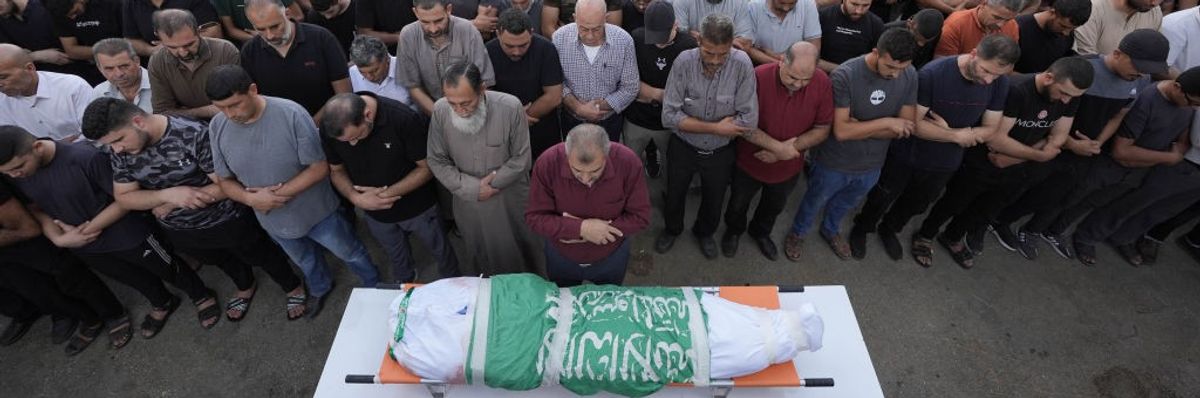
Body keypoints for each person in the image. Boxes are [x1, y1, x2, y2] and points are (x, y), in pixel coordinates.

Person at [81, 97, 310, 322]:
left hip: (227, 219)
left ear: (138, 122)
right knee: (220, 262)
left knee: (261, 254)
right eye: (110, 144)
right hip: (180, 230)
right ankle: (245, 286)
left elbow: (227, 184)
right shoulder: (120, 151)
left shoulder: (192, 133)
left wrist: (172, 201)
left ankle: (291, 286)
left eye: (119, 140)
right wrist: (166, 195)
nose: (116, 150)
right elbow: (124, 198)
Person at [0, 126, 220, 340]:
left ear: (37, 146)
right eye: (7, 172)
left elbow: (125, 198)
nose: (15, 175)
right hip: (84, 245)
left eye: (18, 167)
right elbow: (34, 208)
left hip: (128, 232)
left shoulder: (85, 157)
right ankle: (162, 301)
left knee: (167, 267)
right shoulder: (16, 174)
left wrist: (88, 229)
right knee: (130, 277)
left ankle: (200, 294)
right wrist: (59, 237)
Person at [205, 65, 380, 317]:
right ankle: (320, 288)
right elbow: (224, 180)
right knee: (305, 261)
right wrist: (249, 198)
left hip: (319, 214)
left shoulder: (291, 113)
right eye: (221, 108)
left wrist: (273, 197)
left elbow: (320, 167)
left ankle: (373, 284)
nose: (229, 114)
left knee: (350, 252)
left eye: (235, 105)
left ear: (253, 90)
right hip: (274, 222)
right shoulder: (217, 126)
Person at [991, 30, 1162, 261]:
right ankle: (995, 219)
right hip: (1051, 142)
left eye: (1147, 69)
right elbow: (1055, 108)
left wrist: (1097, 143)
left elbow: (1118, 115)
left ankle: (1014, 224)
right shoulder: (1083, 69)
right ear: (1118, 53)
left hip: (1084, 153)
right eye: (1138, 65)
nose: (1141, 73)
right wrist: (1069, 142)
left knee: (1053, 195)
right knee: (1024, 184)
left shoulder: (1141, 81)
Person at [851, 34, 1016, 268]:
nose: (989, 80)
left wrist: (956, 132)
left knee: (916, 203)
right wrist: (957, 136)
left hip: (944, 163)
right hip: (907, 154)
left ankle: (890, 229)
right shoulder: (933, 74)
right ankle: (863, 227)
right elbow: (913, 124)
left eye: (997, 75)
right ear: (973, 54)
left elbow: (991, 128)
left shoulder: (999, 83)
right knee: (883, 194)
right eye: (986, 71)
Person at [918, 56, 1092, 268]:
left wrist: (1019, 155)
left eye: (1072, 96)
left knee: (984, 210)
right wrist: (1039, 153)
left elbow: (1059, 136)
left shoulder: (1071, 97)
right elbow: (996, 139)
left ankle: (953, 237)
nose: (1066, 101)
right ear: (1048, 78)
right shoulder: (1018, 90)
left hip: (1017, 167)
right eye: (1064, 93)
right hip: (980, 163)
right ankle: (926, 235)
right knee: (953, 203)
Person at [792, 29, 918, 261]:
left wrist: (859, 125)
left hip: (872, 164)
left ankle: (830, 230)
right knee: (814, 200)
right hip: (834, 161)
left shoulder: (909, 74)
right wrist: (888, 122)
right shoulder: (845, 75)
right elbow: (841, 131)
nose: (895, 74)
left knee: (846, 203)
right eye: (890, 67)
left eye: (902, 68)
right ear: (875, 53)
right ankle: (798, 232)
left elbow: (907, 127)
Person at [318, 92, 462, 283]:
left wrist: (384, 195)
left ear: (368, 115)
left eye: (356, 136)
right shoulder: (332, 130)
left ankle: (454, 282)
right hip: (375, 214)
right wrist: (355, 198)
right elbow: (336, 170)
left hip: (418, 208)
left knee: (439, 247)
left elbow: (427, 168)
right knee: (396, 255)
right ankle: (406, 283)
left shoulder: (403, 119)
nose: (352, 144)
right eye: (346, 142)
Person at [1065, 68, 1199, 266]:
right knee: (1082, 198)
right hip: (1118, 164)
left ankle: (1100, 236)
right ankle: (1067, 233)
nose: (1196, 109)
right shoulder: (1149, 99)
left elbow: (1183, 139)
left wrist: (1169, 155)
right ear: (1177, 88)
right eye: (1193, 102)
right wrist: (1167, 158)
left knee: (1148, 208)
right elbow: (1122, 152)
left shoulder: (1187, 106)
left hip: (1141, 166)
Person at [656, 13, 757, 259]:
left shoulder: (742, 64)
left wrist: (691, 122)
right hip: (683, 146)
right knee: (675, 193)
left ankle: (704, 233)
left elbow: (748, 120)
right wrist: (716, 128)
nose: (715, 60)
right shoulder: (683, 61)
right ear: (699, 40)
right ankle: (672, 229)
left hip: (721, 151)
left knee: (715, 198)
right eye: (709, 52)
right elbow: (669, 117)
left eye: (723, 54)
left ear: (732, 43)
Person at [723, 41, 832, 261]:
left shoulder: (822, 82)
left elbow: (822, 129)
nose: (799, 85)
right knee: (738, 203)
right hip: (749, 162)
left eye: (805, 80)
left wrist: (785, 151)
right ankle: (733, 231)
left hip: (788, 166)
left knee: (773, 206)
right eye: (793, 77)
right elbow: (742, 123)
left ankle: (760, 233)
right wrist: (778, 148)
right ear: (781, 60)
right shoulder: (757, 77)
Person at [426, 61, 538, 275]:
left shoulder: (510, 107)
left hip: (510, 200)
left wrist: (491, 185)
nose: (460, 110)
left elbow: (522, 159)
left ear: (482, 90)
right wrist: (473, 188)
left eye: (466, 103)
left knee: (521, 254)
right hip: (468, 201)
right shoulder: (441, 111)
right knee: (480, 256)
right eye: (453, 104)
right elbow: (436, 159)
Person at [0, 179, 126, 356]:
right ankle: (90, 319)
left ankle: (113, 314)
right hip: (6, 256)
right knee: (34, 290)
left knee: (70, 277)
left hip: (28, 239)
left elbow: (29, 229)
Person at [526, 124, 650, 286]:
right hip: (561, 257)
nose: (585, 179)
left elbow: (641, 217)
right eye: (576, 170)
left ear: (607, 156)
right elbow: (534, 218)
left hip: (612, 258)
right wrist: (581, 229)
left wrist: (600, 231)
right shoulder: (547, 164)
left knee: (608, 301)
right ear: (567, 155)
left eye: (595, 171)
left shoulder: (629, 163)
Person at [624, 0, 696, 179]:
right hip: (636, 119)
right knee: (629, 169)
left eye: (664, 36)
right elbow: (629, 82)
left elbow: (690, 91)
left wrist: (648, 94)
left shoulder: (689, 46)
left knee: (671, 170)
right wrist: (661, 94)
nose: (659, 43)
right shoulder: (636, 38)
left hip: (669, 123)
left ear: (676, 25)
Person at [241, 0, 352, 116]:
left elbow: (344, 94)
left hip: (327, 125)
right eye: (261, 29)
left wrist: (311, 124)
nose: (270, 35)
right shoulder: (249, 52)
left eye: (275, 26)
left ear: (288, 14)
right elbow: (253, 100)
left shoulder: (322, 39)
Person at [552, 0, 639, 141]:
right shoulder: (559, 39)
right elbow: (556, 82)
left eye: (597, 29)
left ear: (606, 18)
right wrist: (578, 107)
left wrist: (599, 107)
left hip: (609, 121)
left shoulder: (624, 41)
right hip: (571, 120)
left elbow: (631, 87)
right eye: (584, 29)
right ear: (575, 18)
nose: (590, 36)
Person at [487, 7, 565, 161]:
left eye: (523, 45)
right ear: (498, 33)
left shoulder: (546, 49)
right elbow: (485, 95)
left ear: (531, 32)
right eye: (509, 46)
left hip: (542, 129)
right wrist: (515, 119)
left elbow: (554, 96)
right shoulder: (487, 52)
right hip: (502, 131)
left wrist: (522, 118)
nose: (516, 52)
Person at [397, 0, 496, 116]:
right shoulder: (408, 35)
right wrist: (440, 117)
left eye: (438, 21)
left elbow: (484, 83)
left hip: (471, 112)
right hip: (432, 114)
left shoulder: (468, 31)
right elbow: (413, 86)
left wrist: (467, 112)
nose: (433, 29)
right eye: (425, 22)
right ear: (415, 12)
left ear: (449, 9)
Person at [148, 9, 241, 120]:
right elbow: (162, 112)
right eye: (172, 47)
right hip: (184, 127)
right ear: (158, 36)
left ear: (198, 31)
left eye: (189, 44)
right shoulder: (157, 61)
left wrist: (186, 112)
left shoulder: (225, 51)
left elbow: (234, 103)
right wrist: (208, 110)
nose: (183, 52)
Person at [0, 43, 92, 141]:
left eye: (3, 77)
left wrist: (59, 150)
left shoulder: (72, 86)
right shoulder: (2, 102)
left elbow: (97, 132)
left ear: (29, 68)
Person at [1, 0, 104, 84]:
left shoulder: (48, 6)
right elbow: (6, 58)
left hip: (83, 73)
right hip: (42, 82)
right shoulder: (3, 23)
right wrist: (37, 56)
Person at [46, 0, 125, 84]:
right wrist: (111, 51)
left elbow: (129, 40)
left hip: (123, 61)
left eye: (75, 12)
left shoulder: (112, 4)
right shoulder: (58, 11)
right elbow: (72, 51)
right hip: (90, 71)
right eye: (68, 16)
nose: (72, 17)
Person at [122, 0, 222, 58]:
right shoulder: (131, 3)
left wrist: (176, 45)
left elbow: (214, 31)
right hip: (160, 62)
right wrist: (151, 50)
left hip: (200, 57)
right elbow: (130, 39)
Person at [1013, 0, 1090, 73]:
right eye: (1063, 26)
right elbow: (1006, 72)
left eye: (1071, 29)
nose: (1066, 33)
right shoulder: (1018, 28)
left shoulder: (1067, 34)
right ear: (1052, 12)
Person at [934, 0, 1022, 57]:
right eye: (997, 17)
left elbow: (1008, 64)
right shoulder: (955, 25)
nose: (1001, 24)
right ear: (984, 4)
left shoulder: (1012, 26)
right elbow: (943, 68)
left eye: (1007, 20)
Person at [1073, 0, 1161, 57]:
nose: (1155, 3)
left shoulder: (1154, 11)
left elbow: (1152, 55)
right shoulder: (1093, 8)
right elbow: (1086, 57)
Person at [746, 0, 822, 65]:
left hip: (797, 66)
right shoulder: (753, 7)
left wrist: (785, 61)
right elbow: (747, 47)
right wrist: (782, 63)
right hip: (761, 66)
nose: (786, 8)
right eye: (782, 3)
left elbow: (814, 46)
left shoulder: (808, 4)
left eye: (792, 4)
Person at [818, 0, 885, 73]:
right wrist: (844, 71)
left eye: (865, 5)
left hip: (857, 77)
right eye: (854, 4)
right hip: (824, 74)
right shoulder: (823, 17)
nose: (859, 11)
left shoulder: (876, 24)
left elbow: (878, 60)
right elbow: (811, 57)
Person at [347, 36, 413, 108]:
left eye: (375, 70)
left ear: (386, 58)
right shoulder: (351, 74)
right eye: (362, 72)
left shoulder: (407, 68)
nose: (369, 77)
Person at [91, 39, 153, 112]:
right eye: (109, 69)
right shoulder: (99, 93)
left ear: (137, 61)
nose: (119, 74)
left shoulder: (162, 84)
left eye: (124, 66)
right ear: (99, 68)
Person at [211, 0, 302, 45]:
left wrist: (280, 27)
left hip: (286, 36)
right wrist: (258, 37)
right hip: (250, 41)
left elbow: (298, 16)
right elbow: (231, 30)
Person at [674, 0, 753, 51]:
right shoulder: (682, 2)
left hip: (730, 60)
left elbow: (745, 43)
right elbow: (680, 40)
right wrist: (728, 41)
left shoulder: (741, 2)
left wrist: (701, 39)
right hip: (693, 60)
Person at [542, 0, 621, 37]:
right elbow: (548, 28)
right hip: (565, 41)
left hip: (599, 38)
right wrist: (567, 43)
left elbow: (614, 29)